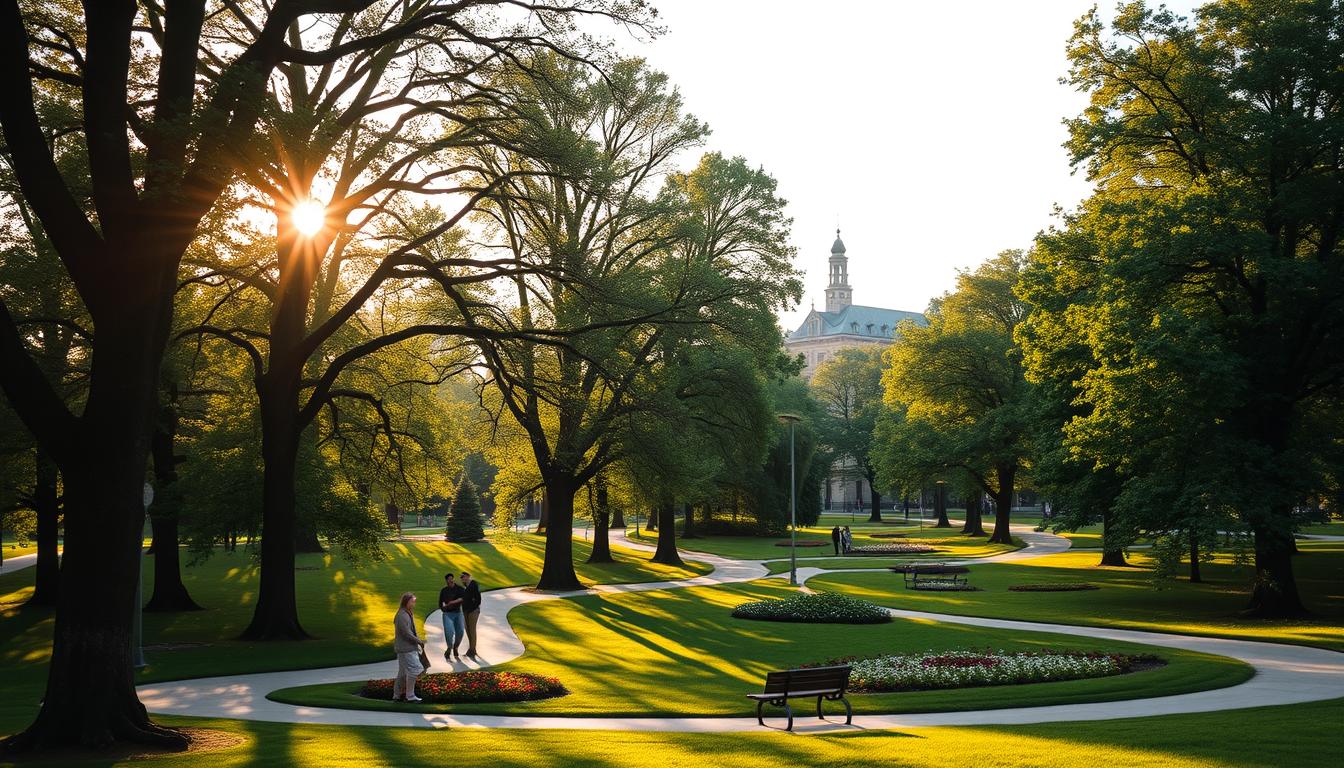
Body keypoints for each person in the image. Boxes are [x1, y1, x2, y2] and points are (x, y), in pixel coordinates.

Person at [393, 592, 425, 702]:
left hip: (405, 648)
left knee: (403, 673)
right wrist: (419, 641)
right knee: (416, 669)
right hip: (406, 648)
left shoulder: (406, 613)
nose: (414, 603)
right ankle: (410, 695)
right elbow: (406, 633)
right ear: (406, 602)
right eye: (412, 601)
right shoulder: (402, 615)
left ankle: (397, 695)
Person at [439, 572, 466, 660]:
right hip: (447, 614)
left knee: (461, 631)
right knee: (449, 632)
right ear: (446, 581)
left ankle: (456, 647)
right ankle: (449, 648)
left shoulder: (460, 589)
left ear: (453, 579)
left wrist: (453, 602)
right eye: (448, 579)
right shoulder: (444, 590)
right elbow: (441, 603)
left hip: (458, 613)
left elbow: (463, 599)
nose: (450, 580)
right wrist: (444, 608)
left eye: (451, 578)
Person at [460, 571, 482, 659]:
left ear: (468, 576)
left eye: (463, 576)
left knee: (472, 630)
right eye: (461, 577)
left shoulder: (473, 585)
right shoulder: (466, 586)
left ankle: (472, 650)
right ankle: (472, 648)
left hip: (473, 611)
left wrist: (472, 608)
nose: (462, 578)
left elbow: (478, 600)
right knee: (467, 629)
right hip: (466, 611)